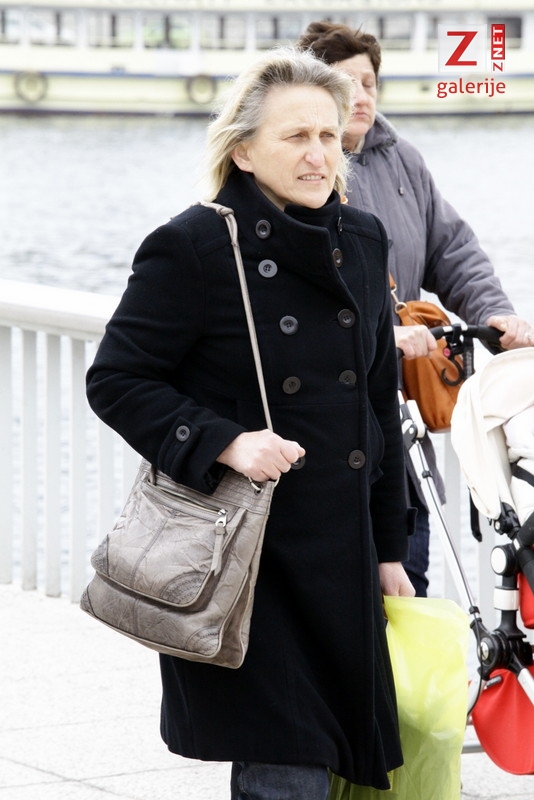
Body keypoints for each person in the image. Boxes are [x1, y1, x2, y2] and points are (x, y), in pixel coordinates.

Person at [86, 47, 415, 800]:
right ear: (243, 149)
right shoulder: (195, 245)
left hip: (343, 555)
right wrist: (227, 442)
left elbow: (377, 404)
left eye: (328, 136)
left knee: (328, 762)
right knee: (285, 766)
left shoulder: (363, 240)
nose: (318, 154)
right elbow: (117, 378)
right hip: (249, 556)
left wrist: (390, 549)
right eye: (295, 136)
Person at [296, 21, 534, 597]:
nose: (361, 96)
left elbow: (452, 250)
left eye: (369, 83)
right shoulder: (301, 171)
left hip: (397, 421)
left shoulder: (403, 160)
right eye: (345, 83)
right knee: (338, 592)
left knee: (410, 578)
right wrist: (381, 333)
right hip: (324, 417)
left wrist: (496, 313)